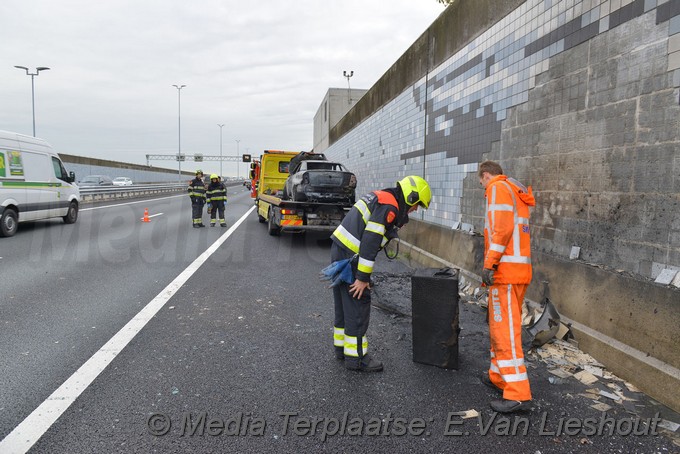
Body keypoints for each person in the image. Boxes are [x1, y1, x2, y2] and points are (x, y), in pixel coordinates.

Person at [330, 176, 431, 372]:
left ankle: (341, 350)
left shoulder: (382, 197)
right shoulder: (389, 206)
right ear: (411, 197)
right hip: (352, 256)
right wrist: (362, 278)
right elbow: (370, 242)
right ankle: (357, 359)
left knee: (344, 304)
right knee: (358, 305)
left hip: (340, 251)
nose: (416, 209)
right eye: (417, 204)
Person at [478, 160, 536, 413]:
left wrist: (489, 264)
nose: (482, 186)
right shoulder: (514, 191)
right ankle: (498, 377)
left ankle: (518, 394)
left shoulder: (497, 188)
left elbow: (500, 230)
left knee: (505, 332)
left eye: (481, 181)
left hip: (505, 273)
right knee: (499, 327)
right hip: (516, 272)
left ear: (487, 175)